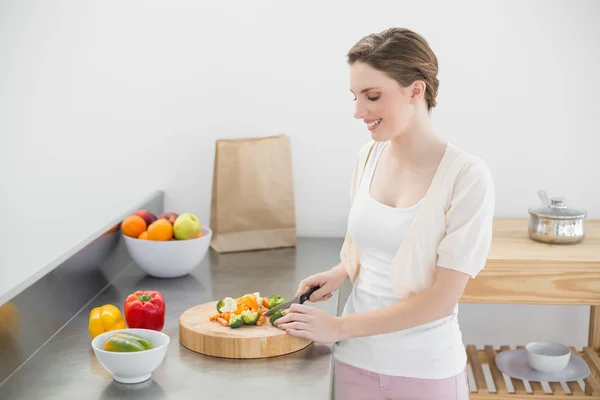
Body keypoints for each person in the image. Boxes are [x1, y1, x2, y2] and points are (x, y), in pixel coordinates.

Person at [273, 27, 496, 400]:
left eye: (372, 96)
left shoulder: (466, 176)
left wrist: (339, 327)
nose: (359, 112)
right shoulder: (369, 157)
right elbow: (377, 247)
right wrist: (340, 273)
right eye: (355, 97)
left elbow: (441, 299)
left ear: (416, 90)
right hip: (354, 366)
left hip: (425, 374)